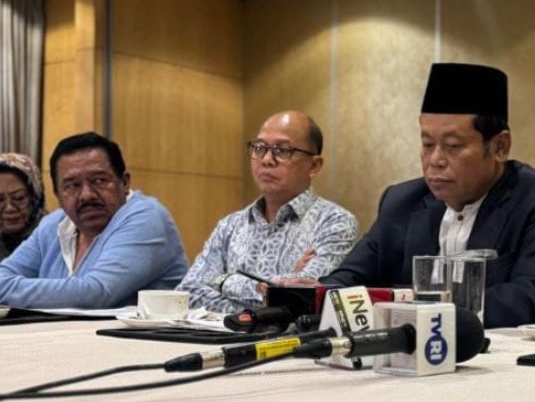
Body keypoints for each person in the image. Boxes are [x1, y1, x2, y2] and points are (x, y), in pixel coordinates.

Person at [323, 63, 535, 328]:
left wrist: (417, 309)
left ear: (500, 146)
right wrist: (313, 293)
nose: (435, 160)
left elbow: (533, 297)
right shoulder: (402, 201)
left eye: (453, 146)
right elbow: (347, 280)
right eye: (427, 144)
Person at [178, 111, 358, 312]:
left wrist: (222, 281)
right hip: (223, 333)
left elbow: (300, 299)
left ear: (314, 166)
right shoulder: (230, 225)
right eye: (259, 148)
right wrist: (275, 287)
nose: (266, 160)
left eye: (282, 150)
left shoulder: (335, 223)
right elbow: (188, 293)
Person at [0, 132, 188, 309]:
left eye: (99, 181)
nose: (86, 195)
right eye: (72, 185)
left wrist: (11, 289)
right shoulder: (54, 225)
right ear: (57, 194)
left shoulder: (145, 217)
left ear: (124, 183)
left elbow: (96, 292)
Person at [0, 153, 46, 260]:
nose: (9, 208)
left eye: (19, 198)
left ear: (35, 199)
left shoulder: (54, 235)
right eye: (0, 200)